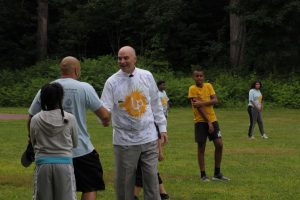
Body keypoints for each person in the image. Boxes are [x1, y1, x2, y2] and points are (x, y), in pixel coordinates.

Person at [22, 56, 110, 200]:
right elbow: (105, 115)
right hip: (82, 149)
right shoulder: (84, 87)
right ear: (76, 70)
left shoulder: (47, 88)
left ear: (61, 70)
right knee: (90, 187)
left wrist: (31, 141)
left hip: (51, 153)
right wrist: (106, 120)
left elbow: (31, 118)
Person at [101, 46, 168, 200]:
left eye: (126, 58)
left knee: (151, 179)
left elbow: (156, 104)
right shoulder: (112, 82)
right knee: (125, 183)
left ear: (135, 59)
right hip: (124, 140)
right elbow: (105, 107)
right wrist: (104, 118)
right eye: (119, 58)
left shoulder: (147, 76)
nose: (122, 61)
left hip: (149, 137)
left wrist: (162, 128)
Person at [30, 82, 78, 200]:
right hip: (65, 164)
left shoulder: (36, 119)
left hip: (42, 164)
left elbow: (33, 142)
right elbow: (75, 143)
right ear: (60, 98)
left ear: (42, 99)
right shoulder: (69, 118)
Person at [188, 68, 230, 182]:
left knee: (219, 144)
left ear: (204, 77)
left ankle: (217, 173)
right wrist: (208, 122)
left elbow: (215, 100)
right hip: (200, 121)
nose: (199, 78)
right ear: (194, 77)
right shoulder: (192, 89)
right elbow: (198, 107)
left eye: (201, 76)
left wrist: (202, 102)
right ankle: (203, 175)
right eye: (197, 76)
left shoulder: (208, 86)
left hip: (213, 119)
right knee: (201, 147)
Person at [134, 80, 170, 200]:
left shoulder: (151, 117)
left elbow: (157, 136)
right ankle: (163, 194)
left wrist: (160, 151)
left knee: (144, 170)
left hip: (148, 145)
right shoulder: (138, 114)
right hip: (135, 144)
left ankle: (134, 195)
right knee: (148, 170)